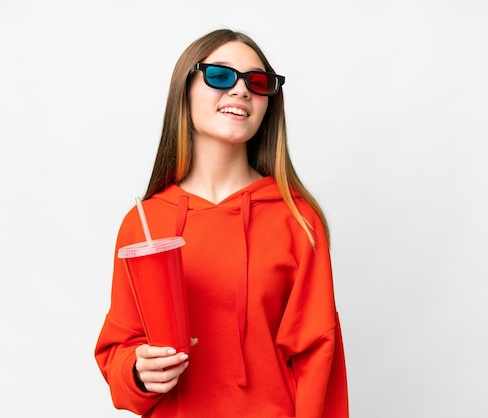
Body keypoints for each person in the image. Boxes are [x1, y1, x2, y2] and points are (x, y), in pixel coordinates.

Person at [95, 28, 348, 417]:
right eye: (220, 75)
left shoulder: (296, 219)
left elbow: (319, 360)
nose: (241, 90)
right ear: (186, 89)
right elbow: (119, 353)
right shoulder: (144, 223)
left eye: (257, 82)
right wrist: (138, 371)